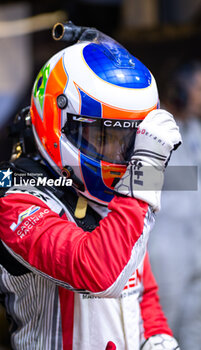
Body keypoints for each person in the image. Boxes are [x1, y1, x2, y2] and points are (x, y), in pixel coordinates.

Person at [0, 23, 182, 350]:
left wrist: (158, 337)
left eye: (130, 141)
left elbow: (141, 288)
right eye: (103, 137)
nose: (119, 155)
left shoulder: (117, 204)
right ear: (57, 121)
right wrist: (146, 169)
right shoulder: (18, 206)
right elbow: (100, 273)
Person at [148, 61, 201, 350]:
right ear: (181, 91)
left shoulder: (195, 129)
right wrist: (191, 177)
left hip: (196, 249)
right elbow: (138, 179)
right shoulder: (155, 128)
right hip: (166, 253)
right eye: (199, 89)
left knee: (196, 331)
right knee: (162, 329)